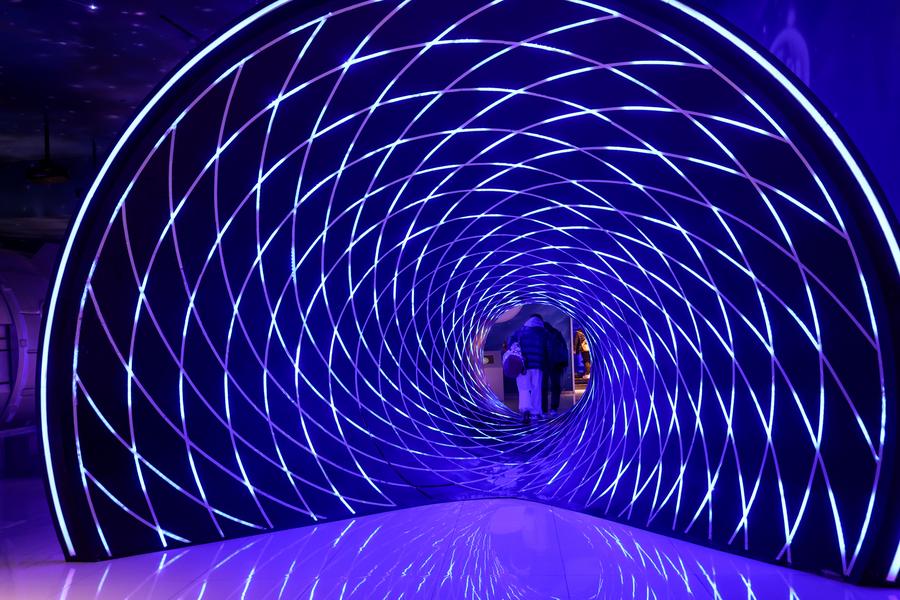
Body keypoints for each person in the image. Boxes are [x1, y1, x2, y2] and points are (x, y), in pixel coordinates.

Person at [509, 314, 549, 424]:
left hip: (523, 366)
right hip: (538, 366)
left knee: (524, 389)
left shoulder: (520, 331)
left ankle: (525, 410)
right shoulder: (543, 333)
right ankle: (535, 413)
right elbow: (548, 349)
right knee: (536, 389)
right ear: (540, 321)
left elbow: (511, 344)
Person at [542, 322, 568, 417]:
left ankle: (544, 409)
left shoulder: (541, 334)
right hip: (556, 363)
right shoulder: (557, 334)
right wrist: (564, 362)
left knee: (543, 387)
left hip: (544, 364)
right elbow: (564, 348)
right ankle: (553, 408)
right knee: (555, 386)